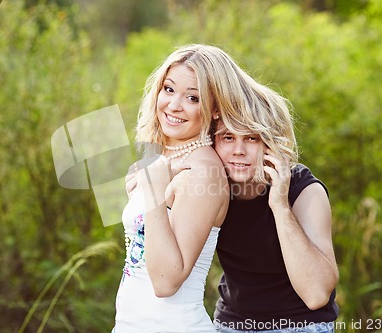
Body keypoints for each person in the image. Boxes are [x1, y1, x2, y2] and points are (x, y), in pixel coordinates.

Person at [112, 44, 234, 332]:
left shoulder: (202, 171)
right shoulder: (161, 161)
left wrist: (153, 193)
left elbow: (167, 281)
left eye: (193, 97)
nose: (174, 105)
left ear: (215, 109)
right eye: (169, 89)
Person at [211, 66, 339, 332]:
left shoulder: (304, 191)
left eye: (251, 139)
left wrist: (280, 206)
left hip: (299, 325)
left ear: (271, 144)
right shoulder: (210, 186)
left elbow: (317, 295)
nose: (238, 151)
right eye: (227, 137)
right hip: (231, 325)